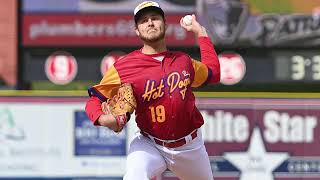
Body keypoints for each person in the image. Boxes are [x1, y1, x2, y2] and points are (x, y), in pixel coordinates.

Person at [85, 1, 220, 179]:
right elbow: (94, 99)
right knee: (134, 176)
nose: (150, 23)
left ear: (164, 24)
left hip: (190, 147)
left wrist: (201, 33)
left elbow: (214, 73)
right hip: (150, 144)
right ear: (137, 30)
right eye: (143, 21)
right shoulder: (124, 67)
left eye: (155, 18)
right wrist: (103, 118)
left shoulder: (183, 61)